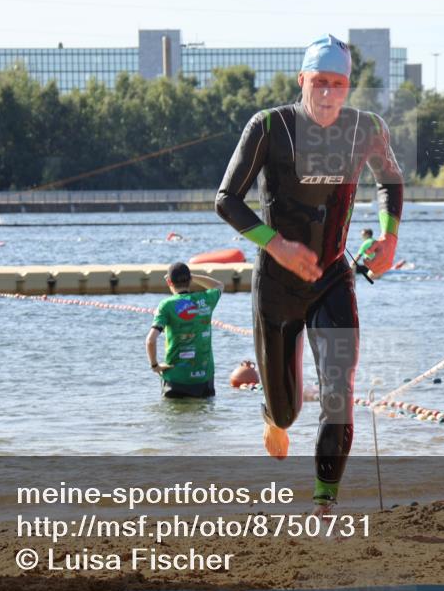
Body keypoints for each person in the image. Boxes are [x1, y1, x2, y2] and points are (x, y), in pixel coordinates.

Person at [215, 34, 404, 512]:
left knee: (339, 388)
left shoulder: (367, 127)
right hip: (277, 285)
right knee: (287, 408)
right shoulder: (269, 126)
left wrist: (388, 236)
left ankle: (324, 501)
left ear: (348, 87)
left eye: (337, 84)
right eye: (319, 81)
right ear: (302, 80)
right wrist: (274, 244)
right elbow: (226, 200)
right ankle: (272, 417)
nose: (327, 93)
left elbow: (390, 180)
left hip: (332, 278)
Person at [145, 262, 224, 399]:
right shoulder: (205, 299)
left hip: (176, 379)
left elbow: (150, 340)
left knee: (176, 417)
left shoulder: (166, 305)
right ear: (189, 280)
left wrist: (155, 366)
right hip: (204, 377)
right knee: (203, 416)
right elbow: (219, 285)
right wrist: (192, 276)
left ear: (169, 281)